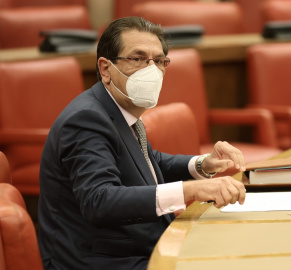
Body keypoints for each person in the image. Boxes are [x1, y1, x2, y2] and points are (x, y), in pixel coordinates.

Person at [38, 16, 247, 270]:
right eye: (137, 59)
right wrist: (190, 190)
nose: (151, 70)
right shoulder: (87, 119)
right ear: (106, 69)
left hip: (132, 246)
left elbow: (146, 161)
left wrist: (202, 164)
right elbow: (99, 200)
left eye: (158, 61)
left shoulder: (119, 109)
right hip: (99, 260)